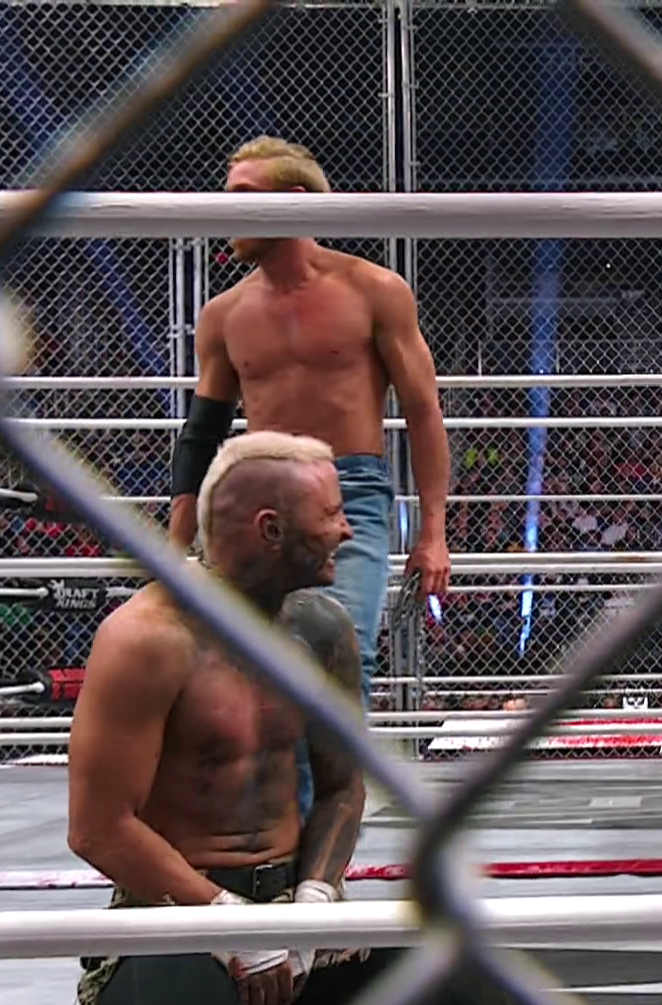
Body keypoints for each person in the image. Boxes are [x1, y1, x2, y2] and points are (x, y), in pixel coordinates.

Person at [71, 432, 514, 1005]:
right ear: (270, 530)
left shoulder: (320, 630)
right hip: (178, 911)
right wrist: (228, 924)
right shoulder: (147, 638)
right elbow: (98, 827)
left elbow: (341, 787)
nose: (347, 530)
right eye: (331, 513)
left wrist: (313, 903)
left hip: (290, 903)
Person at [167, 136, 453, 817]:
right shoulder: (224, 315)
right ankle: (281, 827)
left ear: (294, 202)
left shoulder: (372, 290)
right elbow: (202, 432)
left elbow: (423, 411)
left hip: (347, 490)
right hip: (256, 495)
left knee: (338, 646)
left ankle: (326, 827)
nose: (226, 212)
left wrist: (434, 530)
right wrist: (172, 544)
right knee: (257, 660)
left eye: (243, 197)